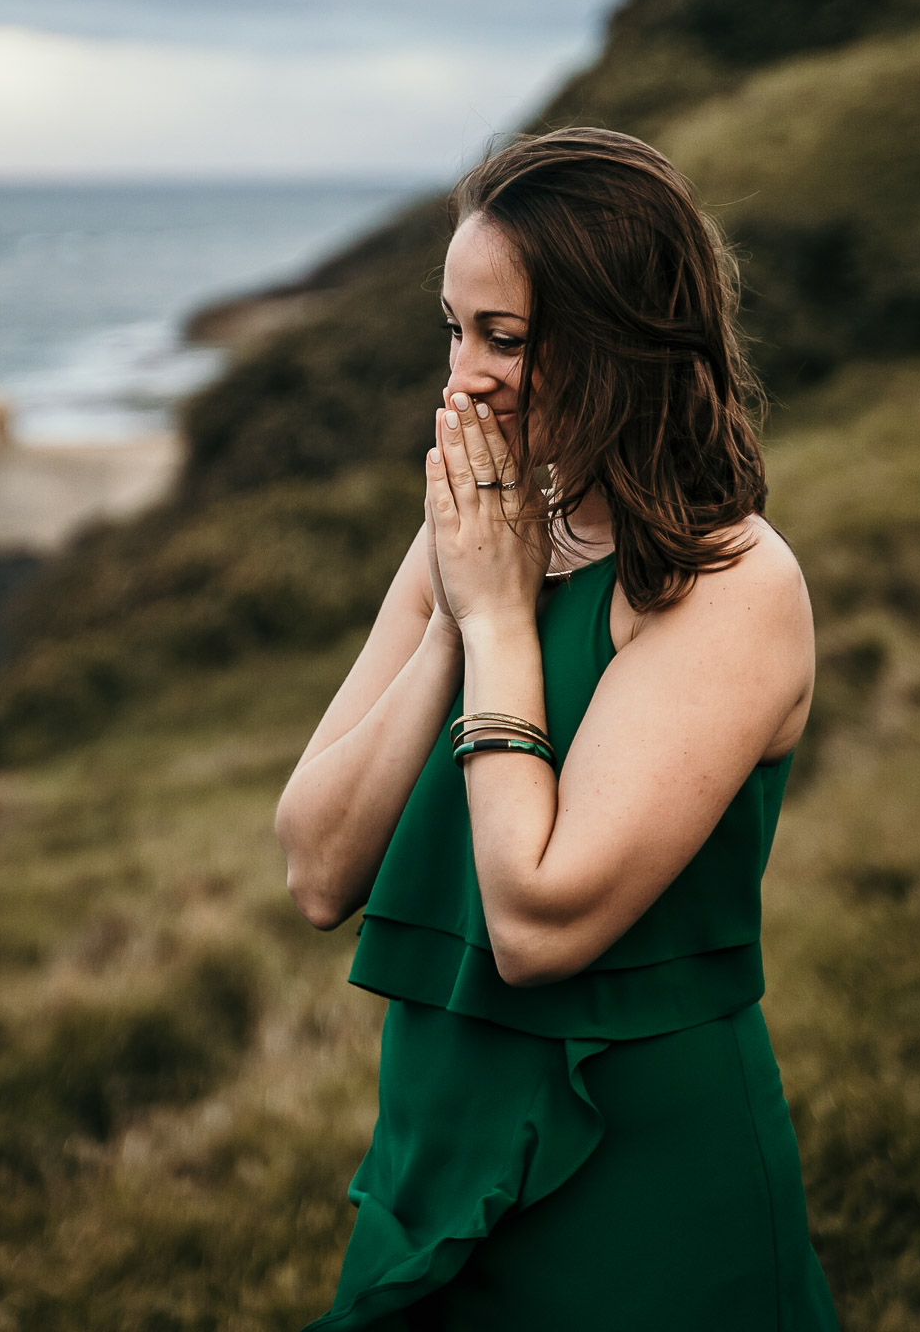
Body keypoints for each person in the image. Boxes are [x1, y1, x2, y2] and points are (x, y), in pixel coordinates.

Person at [275, 128, 839, 1331]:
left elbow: (537, 920)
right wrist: (453, 619)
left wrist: (495, 620)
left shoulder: (729, 586)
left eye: (508, 339)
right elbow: (318, 868)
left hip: (646, 1188)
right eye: (454, 328)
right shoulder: (475, 539)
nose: (464, 375)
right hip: (431, 1143)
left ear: (625, 339)